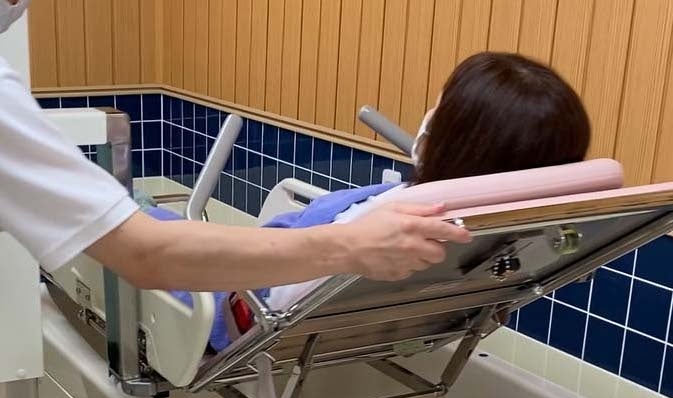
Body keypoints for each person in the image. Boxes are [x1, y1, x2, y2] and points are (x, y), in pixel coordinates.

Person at [0, 0, 471, 298]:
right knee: (144, 212)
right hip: (218, 256)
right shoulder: (415, 220)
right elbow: (144, 253)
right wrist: (349, 246)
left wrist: (348, 245)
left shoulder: (391, 213)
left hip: (240, 275)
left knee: (143, 210)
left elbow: (148, 251)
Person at [201, 51, 591, 351]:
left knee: (166, 222)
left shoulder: (384, 225)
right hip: (363, 320)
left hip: (240, 309)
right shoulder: (521, 232)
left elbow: (278, 305)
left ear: (454, 139)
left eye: (441, 110)